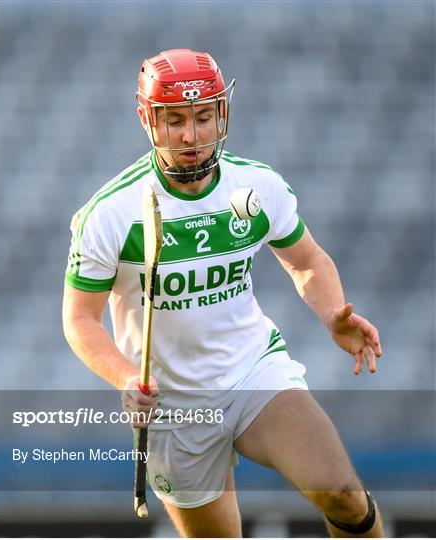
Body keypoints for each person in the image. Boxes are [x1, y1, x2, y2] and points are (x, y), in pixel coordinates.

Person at [63, 48, 385, 538]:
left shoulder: (255, 186)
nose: (191, 136)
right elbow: (80, 319)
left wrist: (331, 314)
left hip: (254, 372)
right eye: (174, 121)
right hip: (172, 406)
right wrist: (127, 377)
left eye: (203, 117)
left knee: (343, 493)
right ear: (146, 119)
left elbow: (307, 260)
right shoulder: (110, 212)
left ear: (222, 114)